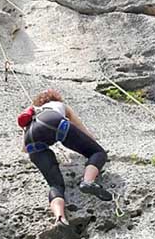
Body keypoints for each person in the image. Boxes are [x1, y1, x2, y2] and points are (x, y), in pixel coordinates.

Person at [20, 89, 112, 227]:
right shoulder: (59, 105)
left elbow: (24, 148)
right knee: (97, 153)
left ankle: (60, 218)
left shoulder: (32, 112)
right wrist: (93, 144)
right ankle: (88, 181)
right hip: (54, 121)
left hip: (31, 139)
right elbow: (80, 128)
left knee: (55, 185)